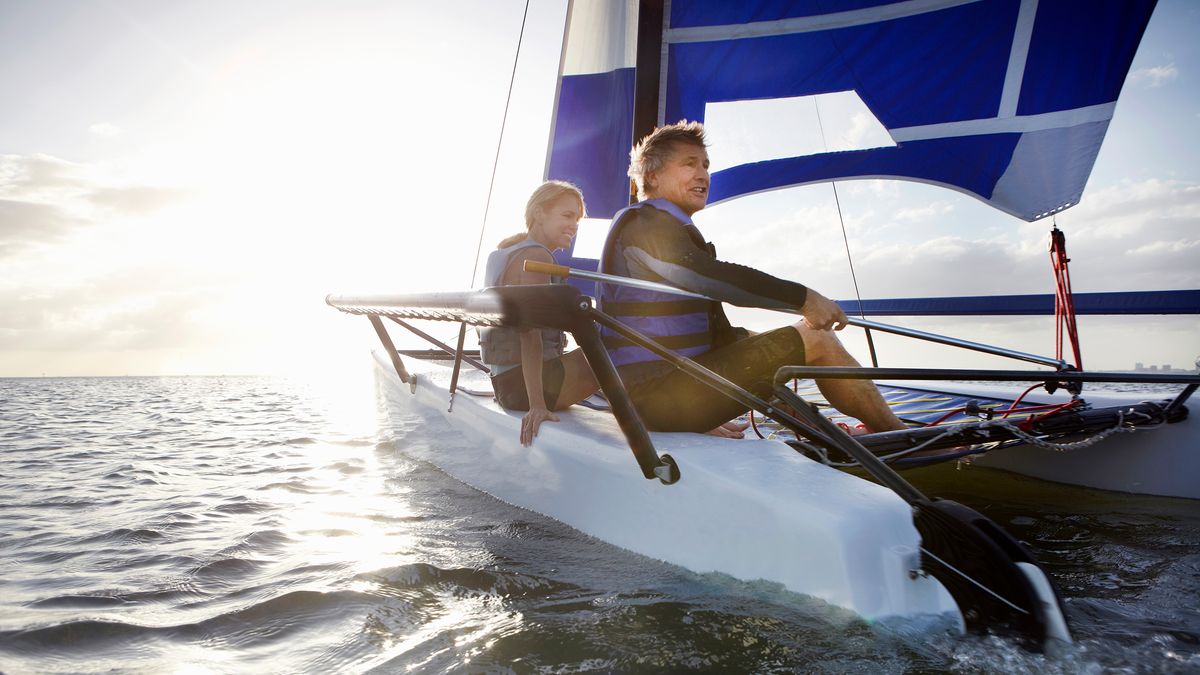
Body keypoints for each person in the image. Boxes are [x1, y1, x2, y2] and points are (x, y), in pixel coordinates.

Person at [598, 121, 906, 435]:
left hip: (660, 394)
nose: (703, 174)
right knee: (817, 337)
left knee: (763, 341)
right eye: (688, 164)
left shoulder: (660, 225)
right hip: (656, 398)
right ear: (652, 176)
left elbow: (715, 332)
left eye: (705, 165)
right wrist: (804, 299)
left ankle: (829, 436)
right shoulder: (646, 225)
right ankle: (894, 434)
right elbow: (706, 276)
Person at [478, 181, 599, 446]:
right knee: (617, 350)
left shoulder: (510, 252)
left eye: (577, 219)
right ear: (539, 213)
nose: (574, 226)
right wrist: (537, 406)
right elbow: (529, 333)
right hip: (525, 388)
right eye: (566, 215)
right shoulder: (536, 258)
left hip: (506, 383)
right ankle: (652, 417)